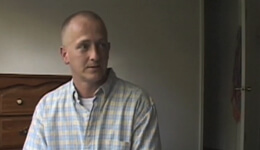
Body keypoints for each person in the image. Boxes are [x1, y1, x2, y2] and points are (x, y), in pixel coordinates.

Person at [23, 10, 161, 150]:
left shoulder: (137, 103)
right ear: (65, 55)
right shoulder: (47, 108)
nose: (95, 55)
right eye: (84, 46)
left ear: (108, 50)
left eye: (101, 45)